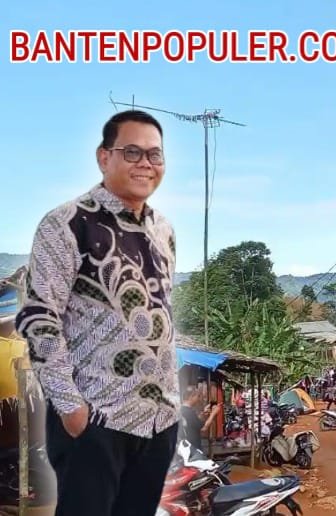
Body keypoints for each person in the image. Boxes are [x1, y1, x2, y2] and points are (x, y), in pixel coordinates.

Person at [16, 110, 180, 516]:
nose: (146, 163)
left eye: (155, 155)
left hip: (157, 423)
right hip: (96, 421)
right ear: (103, 157)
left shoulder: (164, 230)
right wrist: (72, 411)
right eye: (132, 152)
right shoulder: (67, 223)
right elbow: (39, 319)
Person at [179, 385, 220, 453]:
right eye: (197, 396)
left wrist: (203, 413)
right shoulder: (189, 412)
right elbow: (203, 428)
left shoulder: (181, 410)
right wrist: (213, 413)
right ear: (191, 396)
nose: (198, 399)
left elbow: (193, 423)